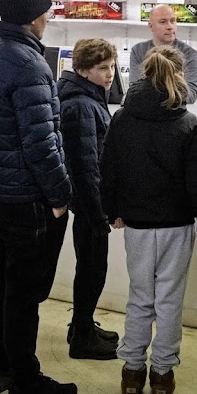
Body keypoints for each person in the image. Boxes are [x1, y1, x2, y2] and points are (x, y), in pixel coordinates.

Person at [0, 0, 76, 394]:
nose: (48, 19)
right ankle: (26, 383)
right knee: (23, 292)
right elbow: (41, 142)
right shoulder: (30, 65)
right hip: (27, 196)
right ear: (35, 17)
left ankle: (1, 368)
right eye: (46, 12)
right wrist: (60, 193)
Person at [101, 44, 197, 394]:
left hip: (136, 223)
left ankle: (131, 372)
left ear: (143, 74)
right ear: (179, 76)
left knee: (139, 298)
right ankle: (162, 374)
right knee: (168, 300)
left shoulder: (122, 118)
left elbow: (109, 169)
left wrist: (111, 209)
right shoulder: (191, 125)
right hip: (176, 224)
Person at [58, 38, 119, 361]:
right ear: (82, 69)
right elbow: (84, 166)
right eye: (101, 68)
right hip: (88, 204)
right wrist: (98, 215)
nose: (109, 74)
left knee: (92, 267)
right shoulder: (81, 104)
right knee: (92, 269)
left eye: (111, 67)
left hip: (89, 202)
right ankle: (82, 337)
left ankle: (82, 325)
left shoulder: (88, 96)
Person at [121, 4, 197, 104]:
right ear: (151, 26)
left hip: (175, 111)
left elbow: (191, 95)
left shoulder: (189, 53)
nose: (170, 27)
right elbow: (134, 90)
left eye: (173, 21)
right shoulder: (138, 50)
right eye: (163, 22)